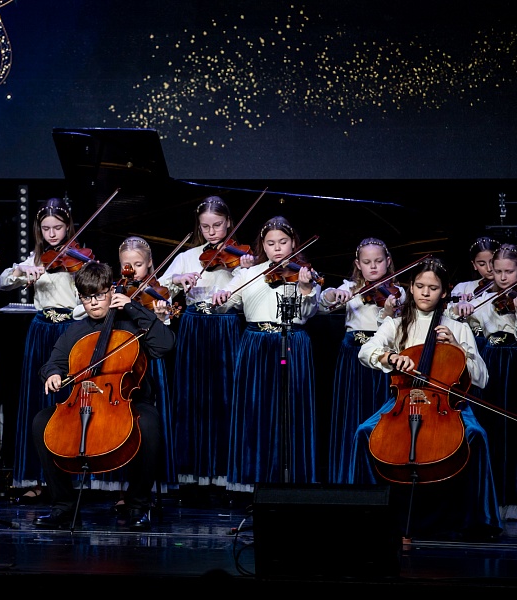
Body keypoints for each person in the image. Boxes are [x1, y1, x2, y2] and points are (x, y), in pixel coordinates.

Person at [350, 258, 502, 540]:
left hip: (447, 402)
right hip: (404, 399)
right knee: (364, 432)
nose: (425, 292)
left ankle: (478, 520)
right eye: (420, 286)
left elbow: (482, 378)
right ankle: (369, 513)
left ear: (444, 292)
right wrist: (389, 357)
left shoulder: (458, 327)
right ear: (411, 287)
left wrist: (457, 349)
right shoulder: (396, 324)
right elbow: (365, 351)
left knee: (476, 435)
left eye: (433, 288)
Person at [31, 261, 176, 531]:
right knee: (42, 421)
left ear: (111, 291)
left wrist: (133, 307)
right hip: (83, 401)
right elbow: (53, 363)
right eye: (87, 297)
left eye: (99, 295)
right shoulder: (76, 330)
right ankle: (64, 506)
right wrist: (52, 374)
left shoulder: (132, 323)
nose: (94, 303)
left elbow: (165, 345)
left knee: (149, 424)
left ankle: (138, 505)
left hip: (129, 401)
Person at [212, 215, 321, 490]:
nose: (277, 248)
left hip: (292, 343)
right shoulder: (249, 273)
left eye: (283, 242)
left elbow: (308, 313)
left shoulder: (305, 274)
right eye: (271, 243)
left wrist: (306, 289)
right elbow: (226, 303)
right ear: (263, 245)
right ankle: (253, 483)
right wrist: (220, 298)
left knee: (290, 412)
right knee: (255, 412)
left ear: (293, 242)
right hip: (256, 345)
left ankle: (292, 484)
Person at [156, 196, 251, 502]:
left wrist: (245, 270)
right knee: (192, 397)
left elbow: (250, 290)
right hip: (193, 327)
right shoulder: (188, 256)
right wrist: (177, 279)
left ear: (229, 223)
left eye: (218, 225)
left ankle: (226, 473)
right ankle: (191, 474)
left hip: (225, 327)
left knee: (225, 398)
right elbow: (159, 285)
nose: (211, 232)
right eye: (205, 227)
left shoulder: (241, 256)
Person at [0, 198, 81, 504]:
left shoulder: (78, 259)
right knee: (38, 404)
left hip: (69, 331)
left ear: (68, 227)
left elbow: (85, 300)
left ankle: (72, 477)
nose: (52, 234)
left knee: (69, 403)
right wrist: (21, 272)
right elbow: (3, 282)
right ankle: (35, 477)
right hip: (40, 331)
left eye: (58, 227)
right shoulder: (34, 259)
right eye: (46, 229)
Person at [91, 235, 176, 511]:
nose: (131, 271)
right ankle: (118, 486)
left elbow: (163, 338)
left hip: (146, 366)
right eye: (126, 265)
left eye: (138, 265)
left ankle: (142, 490)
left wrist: (159, 316)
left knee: (145, 426)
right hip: (118, 367)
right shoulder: (114, 289)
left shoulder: (157, 292)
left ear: (149, 263)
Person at [317, 237, 405, 484]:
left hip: (382, 357)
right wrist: (332, 294)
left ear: (388, 261)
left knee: (380, 413)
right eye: (367, 262)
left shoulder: (399, 292)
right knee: (351, 412)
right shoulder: (350, 288)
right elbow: (323, 305)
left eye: (378, 261)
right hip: (352, 358)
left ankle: (381, 476)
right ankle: (349, 476)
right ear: (358, 264)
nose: (373, 267)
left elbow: (396, 326)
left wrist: (389, 311)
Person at [455, 243, 517, 521]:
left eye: (509, 272)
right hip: (493, 362)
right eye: (498, 271)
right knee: (493, 427)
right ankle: (493, 499)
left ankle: (513, 498)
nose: (502, 277)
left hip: (515, 362)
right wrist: (462, 308)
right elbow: (455, 316)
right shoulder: (486, 298)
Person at [449, 236, 501, 353]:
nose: (489, 268)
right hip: (470, 348)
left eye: (492, 262)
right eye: (482, 264)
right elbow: (448, 316)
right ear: (474, 265)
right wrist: (458, 306)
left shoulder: (510, 289)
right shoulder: (463, 288)